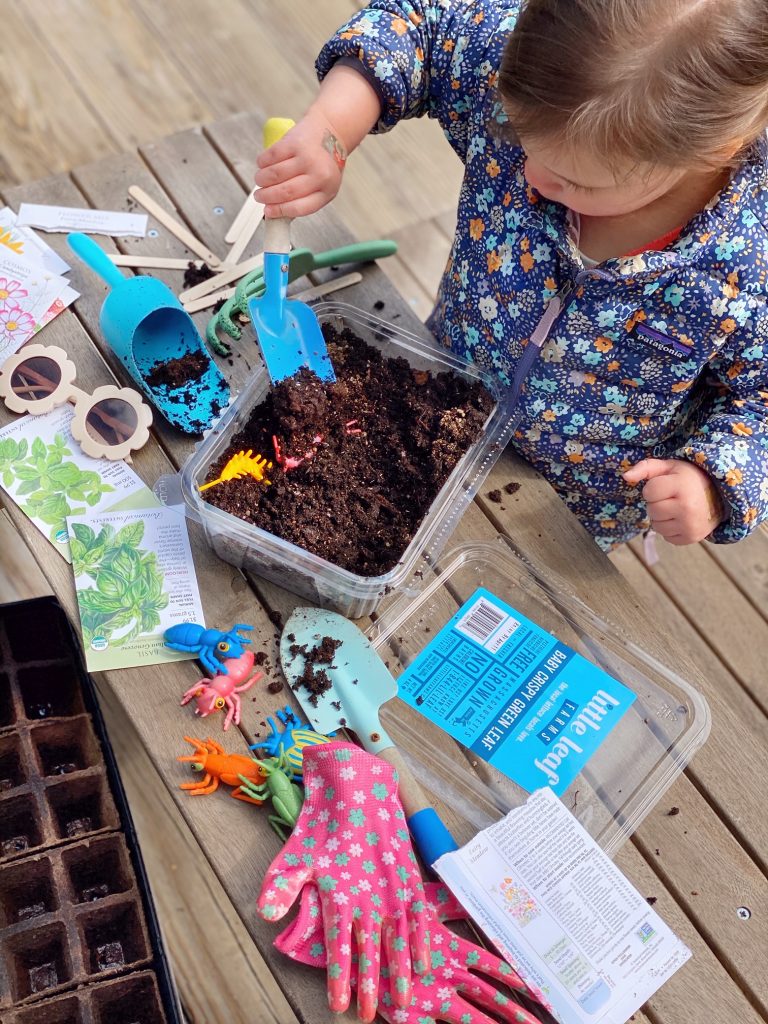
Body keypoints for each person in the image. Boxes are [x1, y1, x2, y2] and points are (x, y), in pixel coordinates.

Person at [253, 0, 768, 551]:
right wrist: (331, 128)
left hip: (562, 511)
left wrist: (714, 484)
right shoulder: (531, 63)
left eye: (577, 182)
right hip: (433, 403)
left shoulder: (744, 272)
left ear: (714, 150)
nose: (531, 174)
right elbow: (419, 25)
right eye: (515, 131)